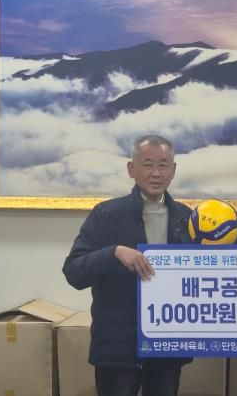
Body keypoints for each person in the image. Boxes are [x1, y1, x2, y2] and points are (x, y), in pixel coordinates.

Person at [63, 135, 192, 396]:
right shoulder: (107, 214)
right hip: (118, 349)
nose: (156, 173)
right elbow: (74, 271)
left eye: (163, 165)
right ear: (132, 169)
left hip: (167, 346)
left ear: (173, 170)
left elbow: (224, 257)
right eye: (148, 164)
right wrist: (114, 253)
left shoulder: (187, 217)